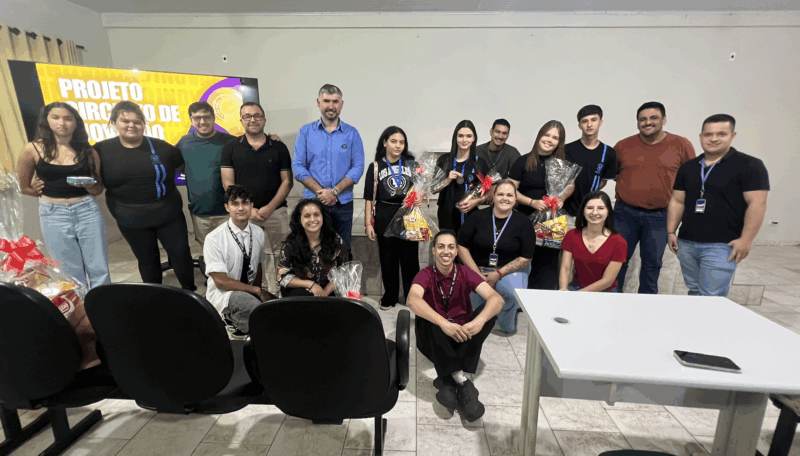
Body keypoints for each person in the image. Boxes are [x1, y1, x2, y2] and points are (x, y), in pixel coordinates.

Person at [94, 101, 195, 290]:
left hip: (168, 214)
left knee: (181, 254)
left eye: (137, 121)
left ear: (144, 124)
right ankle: (154, 297)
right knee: (147, 260)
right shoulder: (100, 150)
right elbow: (95, 180)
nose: (131, 125)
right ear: (114, 123)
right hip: (131, 220)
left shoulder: (163, 148)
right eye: (125, 121)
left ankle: (190, 292)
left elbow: (181, 168)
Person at [667, 114, 769, 297]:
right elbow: (677, 201)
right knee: (694, 290)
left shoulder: (750, 165)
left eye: (721, 134)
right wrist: (671, 231)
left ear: (732, 135)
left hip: (722, 245)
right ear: (701, 137)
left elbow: (757, 204)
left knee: (712, 296)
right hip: (687, 242)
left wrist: (746, 239)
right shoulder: (689, 167)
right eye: (708, 134)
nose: (713, 139)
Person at [407, 229, 503, 422]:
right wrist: (443, 323)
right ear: (433, 250)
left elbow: (497, 299)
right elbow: (412, 299)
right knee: (427, 316)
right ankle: (462, 380)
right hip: (434, 339)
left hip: (462, 335)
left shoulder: (465, 272)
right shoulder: (425, 274)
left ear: (456, 251)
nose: (446, 251)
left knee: (489, 314)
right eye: (441, 246)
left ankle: (447, 381)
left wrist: (478, 322)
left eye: (451, 247)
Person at [17, 102, 110, 289]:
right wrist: (37, 190)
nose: (62, 123)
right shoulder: (33, 149)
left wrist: (89, 185)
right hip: (53, 213)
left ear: (76, 123)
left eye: (68, 118)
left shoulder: (89, 152)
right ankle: (80, 305)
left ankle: (102, 302)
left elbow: (98, 189)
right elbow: (24, 187)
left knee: (98, 266)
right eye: (56, 117)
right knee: (68, 269)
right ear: (46, 121)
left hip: (87, 209)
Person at [614, 102, 696, 294]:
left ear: (664, 120)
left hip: (661, 216)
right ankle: (613, 300)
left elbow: (691, 180)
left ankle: (646, 304)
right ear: (637, 122)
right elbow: (613, 174)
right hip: (624, 214)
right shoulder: (623, 146)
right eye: (642, 119)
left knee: (652, 265)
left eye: (653, 118)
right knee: (617, 261)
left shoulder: (681, 145)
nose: (647, 122)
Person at [221, 102, 292, 296]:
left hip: (276, 212)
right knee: (248, 256)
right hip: (244, 214)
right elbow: (228, 182)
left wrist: (269, 208)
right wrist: (248, 209)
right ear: (241, 120)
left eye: (257, 116)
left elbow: (287, 182)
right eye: (247, 116)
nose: (252, 120)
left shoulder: (278, 147)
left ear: (264, 120)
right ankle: (257, 294)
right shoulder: (230, 147)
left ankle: (281, 294)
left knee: (281, 255)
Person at [292, 84, 365, 255]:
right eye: (326, 101)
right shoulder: (305, 132)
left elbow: (358, 167)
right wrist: (322, 193)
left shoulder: (352, 133)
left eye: (335, 101)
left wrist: (334, 192)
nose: (331, 106)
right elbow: (298, 166)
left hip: (342, 204)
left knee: (343, 250)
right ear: (318, 102)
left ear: (341, 104)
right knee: (312, 251)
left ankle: (341, 275)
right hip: (312, 203)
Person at [457, 179, 535, 333]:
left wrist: (498, 274)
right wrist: (476, 274)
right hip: (478, 269)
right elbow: (462, 246)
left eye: (509, 195)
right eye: (500, 194)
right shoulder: (477, 217)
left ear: (515, 198)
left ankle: (506, 320)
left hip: (509, 271)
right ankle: (483, 318)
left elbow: (526, 257)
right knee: (476, 305)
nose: (504, 198)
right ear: (493, 196)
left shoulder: (524, 223)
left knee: (511, 292)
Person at [508, 120, 575, 290]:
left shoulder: (563, 164)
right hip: (524, 220)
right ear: (539, 136)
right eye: (547, 135)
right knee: (522, 261)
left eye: (555, 137)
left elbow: (571, 185)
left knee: (547, 267)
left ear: (559, 142)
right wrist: (532, 202)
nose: (549, 140)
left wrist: (562, 198)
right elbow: (510, 190)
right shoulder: (522, 161)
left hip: (551, 224)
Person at [364, 126, 420, 310]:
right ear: (385, 142)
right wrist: (368, 223)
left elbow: (420, 189)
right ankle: (390, 296)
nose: (398, 146)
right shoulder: (375, 167)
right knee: (388, 259)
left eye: (401, 142)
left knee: (410, 260)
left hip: (408, 215)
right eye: (394, 141)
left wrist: (420, 197)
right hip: (384, 215)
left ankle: (412, 296)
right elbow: (369, 198)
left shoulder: (411, 164)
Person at [203, 185, 269, 335]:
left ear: (252, 206)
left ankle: (247, 324)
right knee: (252, 309)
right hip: (224, 293)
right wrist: (256, 291)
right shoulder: (214, 238)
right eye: (235, 203)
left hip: (248, 288)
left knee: (271, 307)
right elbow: (221, 282)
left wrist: (258, 292)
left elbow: (258, 265)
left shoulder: (258, 232)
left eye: (245, 203)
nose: (241, 208)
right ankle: (230, 321)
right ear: (227, 207)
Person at [176, 101, 235, 245]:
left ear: (214, 118)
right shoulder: (184, 143)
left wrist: (271, 138)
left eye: (206, 117)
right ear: (191, 120)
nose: (202, 122)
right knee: (208, 253)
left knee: (232, 251)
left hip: (228, 212)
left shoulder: (230, 142)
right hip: (200, 215)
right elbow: (175, 165)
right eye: (197, 118)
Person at [277, 199, 348, 298]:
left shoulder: (335, 240)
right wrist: (311, 285)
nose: (312, 219)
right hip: (300, 288)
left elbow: (344, 271)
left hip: (328, 288)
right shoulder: (291, 243)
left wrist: (324, 293)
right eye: (307, 216)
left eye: (316, 215)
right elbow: (282, 276)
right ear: (299, 219)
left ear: (323, 217)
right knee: (304, 298)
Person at [559, 191, 627, 292]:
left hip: (606, 292)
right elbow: (565, 268)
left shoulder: (619, 242)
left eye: (601, 208)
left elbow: (608, 280)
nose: (594, 212)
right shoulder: (572, 235)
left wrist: (578, 296)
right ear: (583, 211)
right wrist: (563, 290)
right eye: (590, 208)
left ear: (608, 212)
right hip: (576, 288)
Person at [564, 105, 617, 229]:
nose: (589, 125)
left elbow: (603, 181)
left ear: (600, 122)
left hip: (591, 213)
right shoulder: (567, 150)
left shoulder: (608, 153)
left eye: (593, 120)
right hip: (565, 212)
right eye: (584, 121)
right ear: (579, 125)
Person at [434, 120, 489, 234]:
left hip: (471, 215)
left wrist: (477, 201)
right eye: (460, 136)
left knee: (467, 244)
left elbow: (490, 191)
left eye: (469, 136)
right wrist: (448, 180)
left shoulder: (480, 163)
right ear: (455, 138)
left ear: (474, 138)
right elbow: (433, 189)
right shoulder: (444, 160)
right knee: (447, 245)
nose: (464, 140)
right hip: (446, 216)